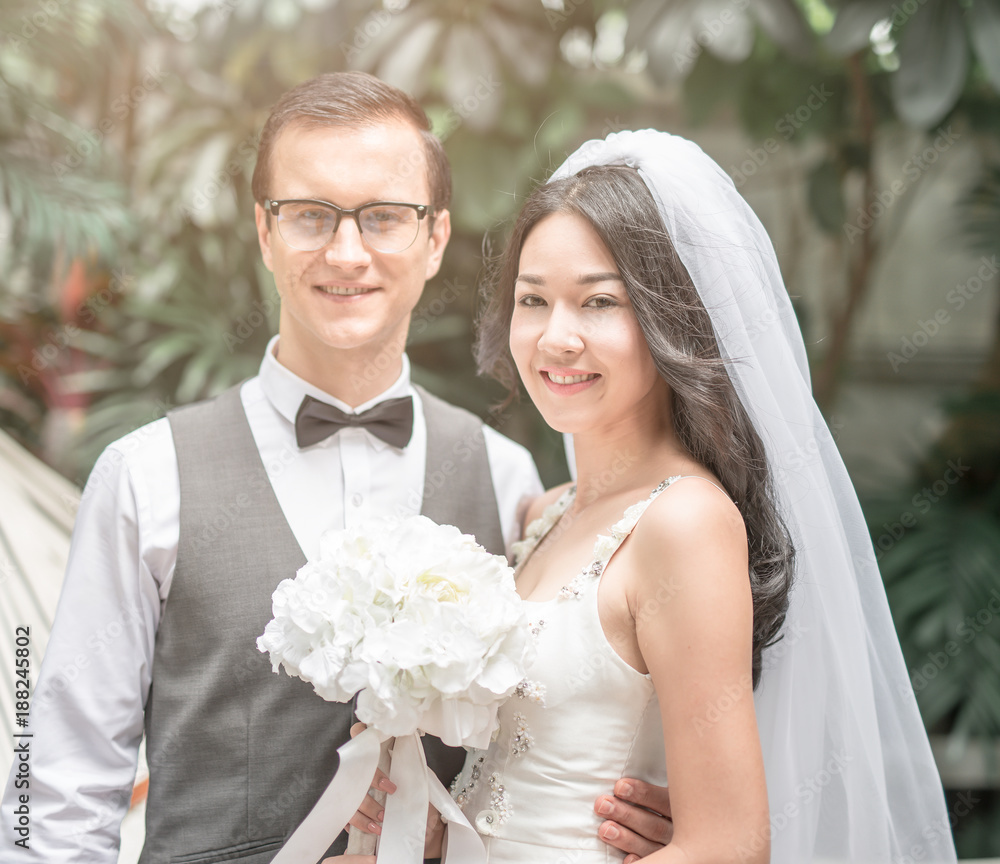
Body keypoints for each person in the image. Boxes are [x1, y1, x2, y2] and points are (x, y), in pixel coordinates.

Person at [0, 74, 671, 864]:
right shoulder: (145, 476)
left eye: (384, 217)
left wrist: (643, 802)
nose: (345, 252)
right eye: (310, 216)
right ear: (264, 233)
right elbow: (60, 789)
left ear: (436, 238)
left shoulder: (506, 477)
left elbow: (557, 725)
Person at [445, 130, 959, 863]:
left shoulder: (682, 523)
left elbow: (726, 846)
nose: (556, 337)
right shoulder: (547, 513)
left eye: (598, 302)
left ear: (666, 319)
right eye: (533, 300)